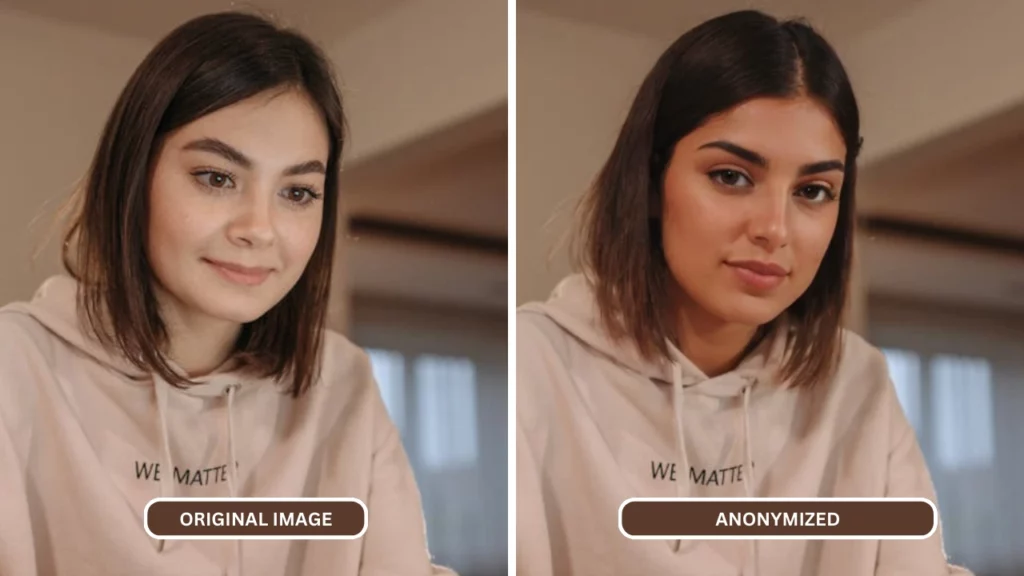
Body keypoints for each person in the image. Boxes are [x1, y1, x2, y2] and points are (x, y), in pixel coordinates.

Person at [516, 10, 971, 576]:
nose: (774, 229)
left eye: (813, 190)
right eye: (732, 176)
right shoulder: (532, 365)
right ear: (652, 180)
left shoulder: (856, 381)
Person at [0, 12, 453, 576]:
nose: (259, 228)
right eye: (217, 178)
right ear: (133, 174)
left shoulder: (339, 382)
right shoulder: (15, 370)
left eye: (297, 191)